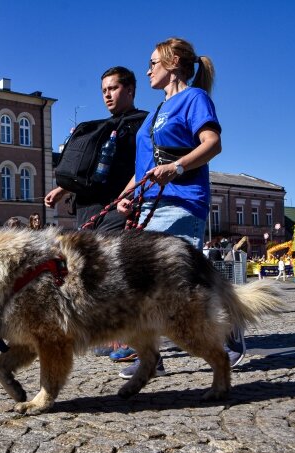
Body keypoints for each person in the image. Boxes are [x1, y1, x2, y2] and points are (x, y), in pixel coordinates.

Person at [114, 38, 243, 378]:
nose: (148, 70)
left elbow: (212, 144)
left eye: (153, 62)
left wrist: (178, 168)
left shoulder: (195, 99)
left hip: (182, 202)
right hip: (150, 205)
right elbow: (144, 168)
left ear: (172, 64)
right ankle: (150, 356)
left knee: (172, 281)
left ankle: (227, 334)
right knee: (145, 282)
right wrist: (125, 195)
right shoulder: (154, 113)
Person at [45, 66, 147, 230]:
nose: (107, 95)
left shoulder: (144, 123)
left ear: (130, 90)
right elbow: (91, 168)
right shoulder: (101, 128)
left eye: (113, 88)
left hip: (117, 209)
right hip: (87, 209)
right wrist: (62, 189)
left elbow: (146, 165)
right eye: (104, 90)